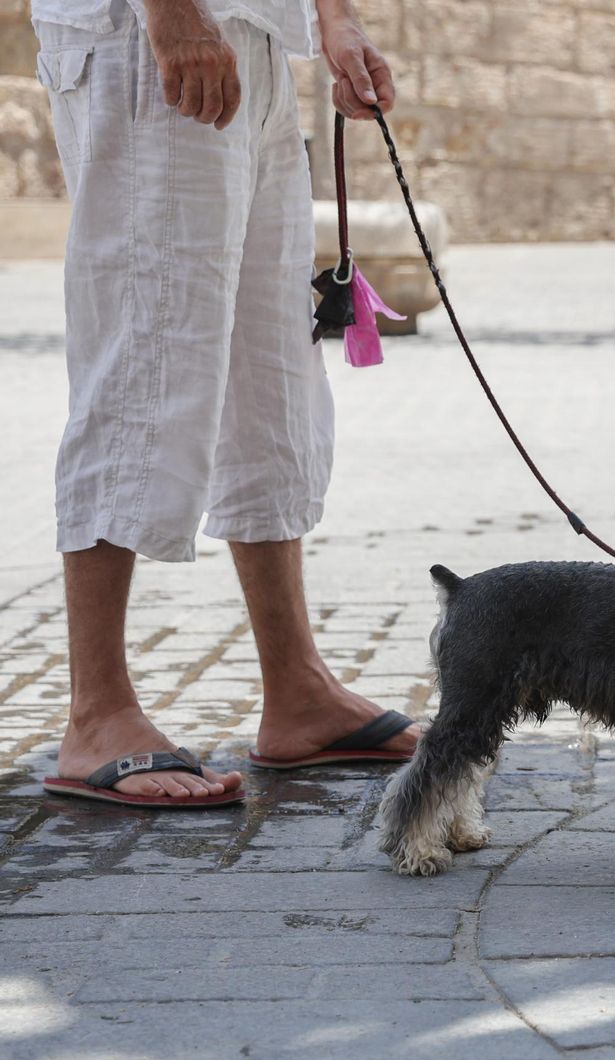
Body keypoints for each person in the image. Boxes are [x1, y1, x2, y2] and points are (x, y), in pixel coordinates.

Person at [30, 0, 414, 807]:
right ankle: (96, 711)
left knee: (270, 371)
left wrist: (333, 21)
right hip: (144, 34)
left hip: (259, 38)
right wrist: (170, 15)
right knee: (143, 351)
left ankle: (297, 688)